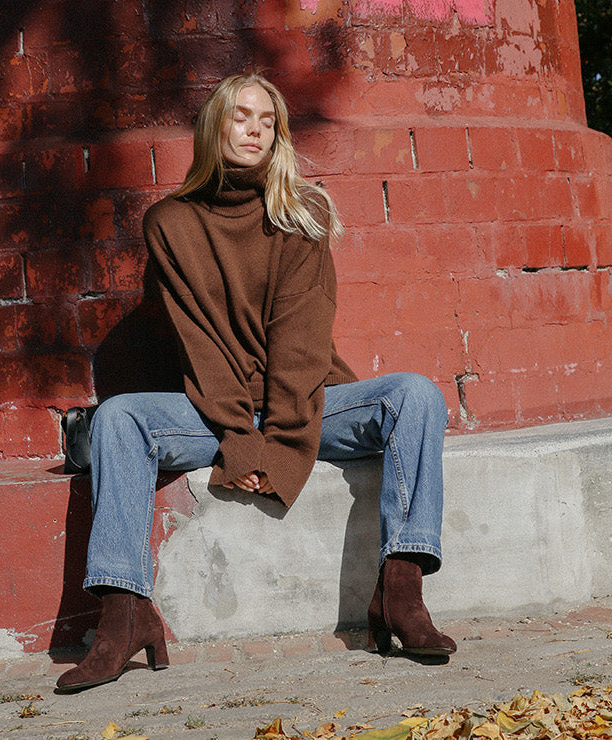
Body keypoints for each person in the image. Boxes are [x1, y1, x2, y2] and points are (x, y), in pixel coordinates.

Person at [55, 73, 454, 695]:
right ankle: (125, 613)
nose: (255, 130)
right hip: (217, 412)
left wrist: (281, 443)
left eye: (268, 121)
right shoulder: (171, 223)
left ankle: (401, 592)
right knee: (119, 417)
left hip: (308, 404)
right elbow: (200, 343)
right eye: (242, 117)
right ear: (216, 126)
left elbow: (301, 344)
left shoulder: (303, 210)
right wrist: (240, 437)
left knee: (418, 396)